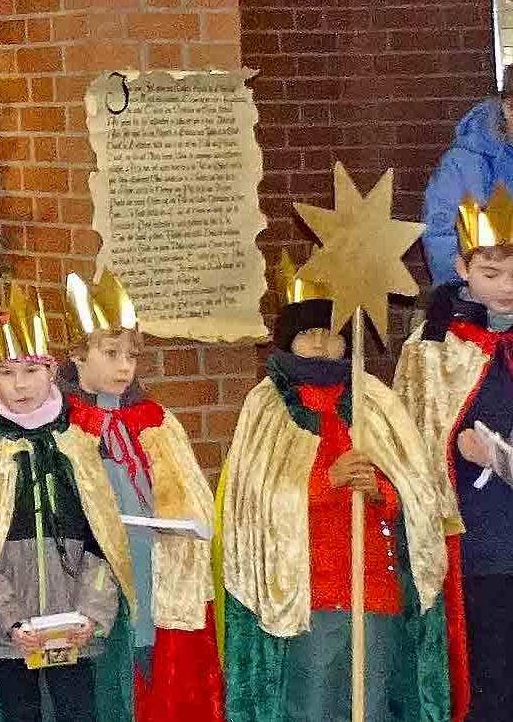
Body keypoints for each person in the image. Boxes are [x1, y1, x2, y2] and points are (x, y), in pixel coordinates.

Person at [219, 258, 452, 722]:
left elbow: (421, 492)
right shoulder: (267, 405)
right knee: (316, 704)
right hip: (312, 594)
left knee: (372, 703)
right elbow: (254, 503)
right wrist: (329, 482)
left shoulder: (376, 401)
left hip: (376, 588)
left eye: (335, 334)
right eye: (312, 334)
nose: (325, 345)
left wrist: (383, 490)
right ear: (290, 340)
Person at [0, 281, 130, 722]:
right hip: (11, 633)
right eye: (6, 373)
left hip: (75, 623)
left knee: (78, 711)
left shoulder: (76, 443)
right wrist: (10, 621)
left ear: (52, 371)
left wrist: (90, 614)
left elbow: (103, 539)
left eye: (31, 371)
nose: (21, 385)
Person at [57, 272, 219, 722]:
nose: (124, 366)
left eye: (131, 355)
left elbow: (191, 494)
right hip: (91, 573)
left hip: (155, 565)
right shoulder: (62, 423)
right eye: (110, 354)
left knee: (154, 671)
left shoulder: (156, 420)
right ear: (78, 354)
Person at [393, 185, 513, 722]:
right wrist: (455, 446)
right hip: (481, 541)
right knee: (491, 682)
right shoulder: (435, 347)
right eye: (491, 274)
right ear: (463, 267)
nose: (507, 287)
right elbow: (410, 436)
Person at [424, 65, 513, 286]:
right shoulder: (464, 163)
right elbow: (440, 233)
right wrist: (462, 291)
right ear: (508, 108)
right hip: (481, 298)